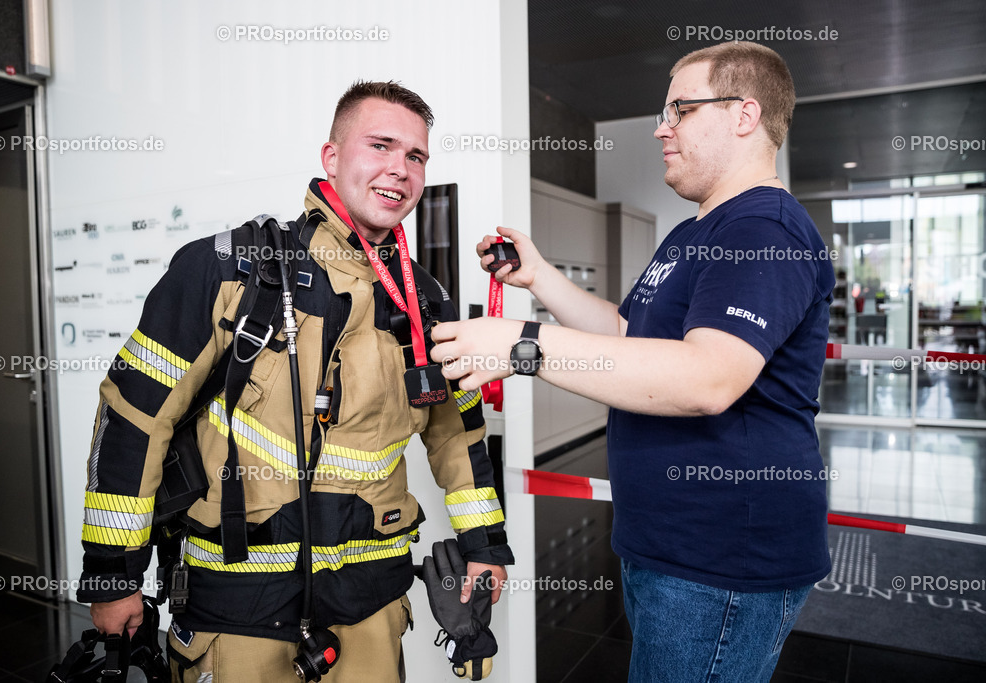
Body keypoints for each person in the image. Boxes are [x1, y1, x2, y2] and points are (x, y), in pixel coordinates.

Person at [77, 80, 513, 682]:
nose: (400, 168)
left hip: (371, 607)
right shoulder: (230, 271)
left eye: (416, 156)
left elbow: (457, 437)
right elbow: (133, 417)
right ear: (331, 157)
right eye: (380, 145)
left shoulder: (426, 304)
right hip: (238, 613)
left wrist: (485, 548)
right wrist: (112, 576)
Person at [431, 42, 833, 681]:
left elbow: (707, 378)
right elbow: (626, 330)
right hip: (666, 547)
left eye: (680, 110)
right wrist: (540, 279)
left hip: (721, 560)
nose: (661, 129)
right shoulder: (694, 232)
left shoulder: (763, 230)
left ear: (744, 115)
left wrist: (521, 345)